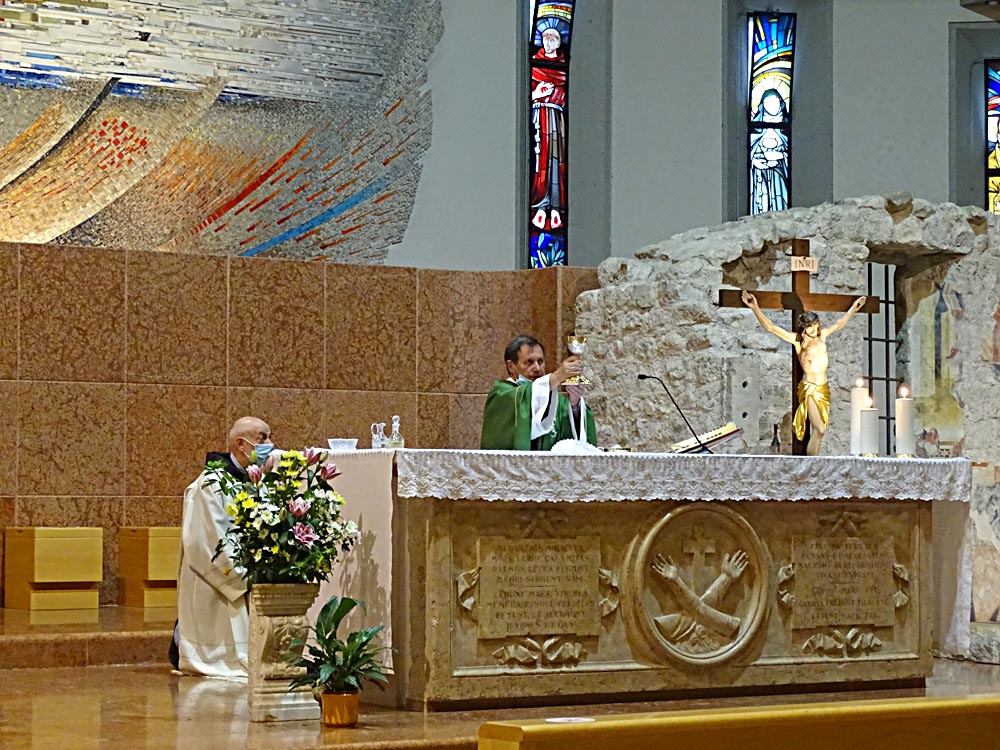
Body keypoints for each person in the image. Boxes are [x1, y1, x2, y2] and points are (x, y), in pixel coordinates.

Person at [172, 416, 275, 679]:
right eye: (262, 438)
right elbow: (206, 540)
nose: (270, 444)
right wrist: (243, 575)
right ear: (241, 444)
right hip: (218, 580)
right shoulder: (210, 484)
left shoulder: (256, 481)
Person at [741, 291, 867, 456]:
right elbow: (771, 327)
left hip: (823, 388)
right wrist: (755, 308)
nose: (813, 329)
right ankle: (811, 463)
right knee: (819, 429)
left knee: (820, 432)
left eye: (814, 325)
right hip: (810, 389)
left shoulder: (822, 337)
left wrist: (853, 309)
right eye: (808, 327)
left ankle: (815, 461)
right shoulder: (798, 341)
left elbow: (839, 324)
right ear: (804, 328)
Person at [481, 334, 596, 450]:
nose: (537, 368)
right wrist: (557, 376)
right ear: (511, 366)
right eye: (529, 362)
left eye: (540, 361)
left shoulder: (553, 397)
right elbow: (526, 397)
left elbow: (575, 438)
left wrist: (575, 405)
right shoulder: (501, 394)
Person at [530, 26, 567, 231]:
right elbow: (532, 94)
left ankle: (555, 207)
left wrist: (554, 96)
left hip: (556, 120)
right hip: (539, 119)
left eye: (552, 39)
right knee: (539, 162)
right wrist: (538, 93)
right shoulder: (536, 64)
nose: (548, 42)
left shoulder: (561, 67)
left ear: (559, 43)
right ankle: (540, 206)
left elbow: (564, 96)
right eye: (545, 38)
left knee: (556, 161)